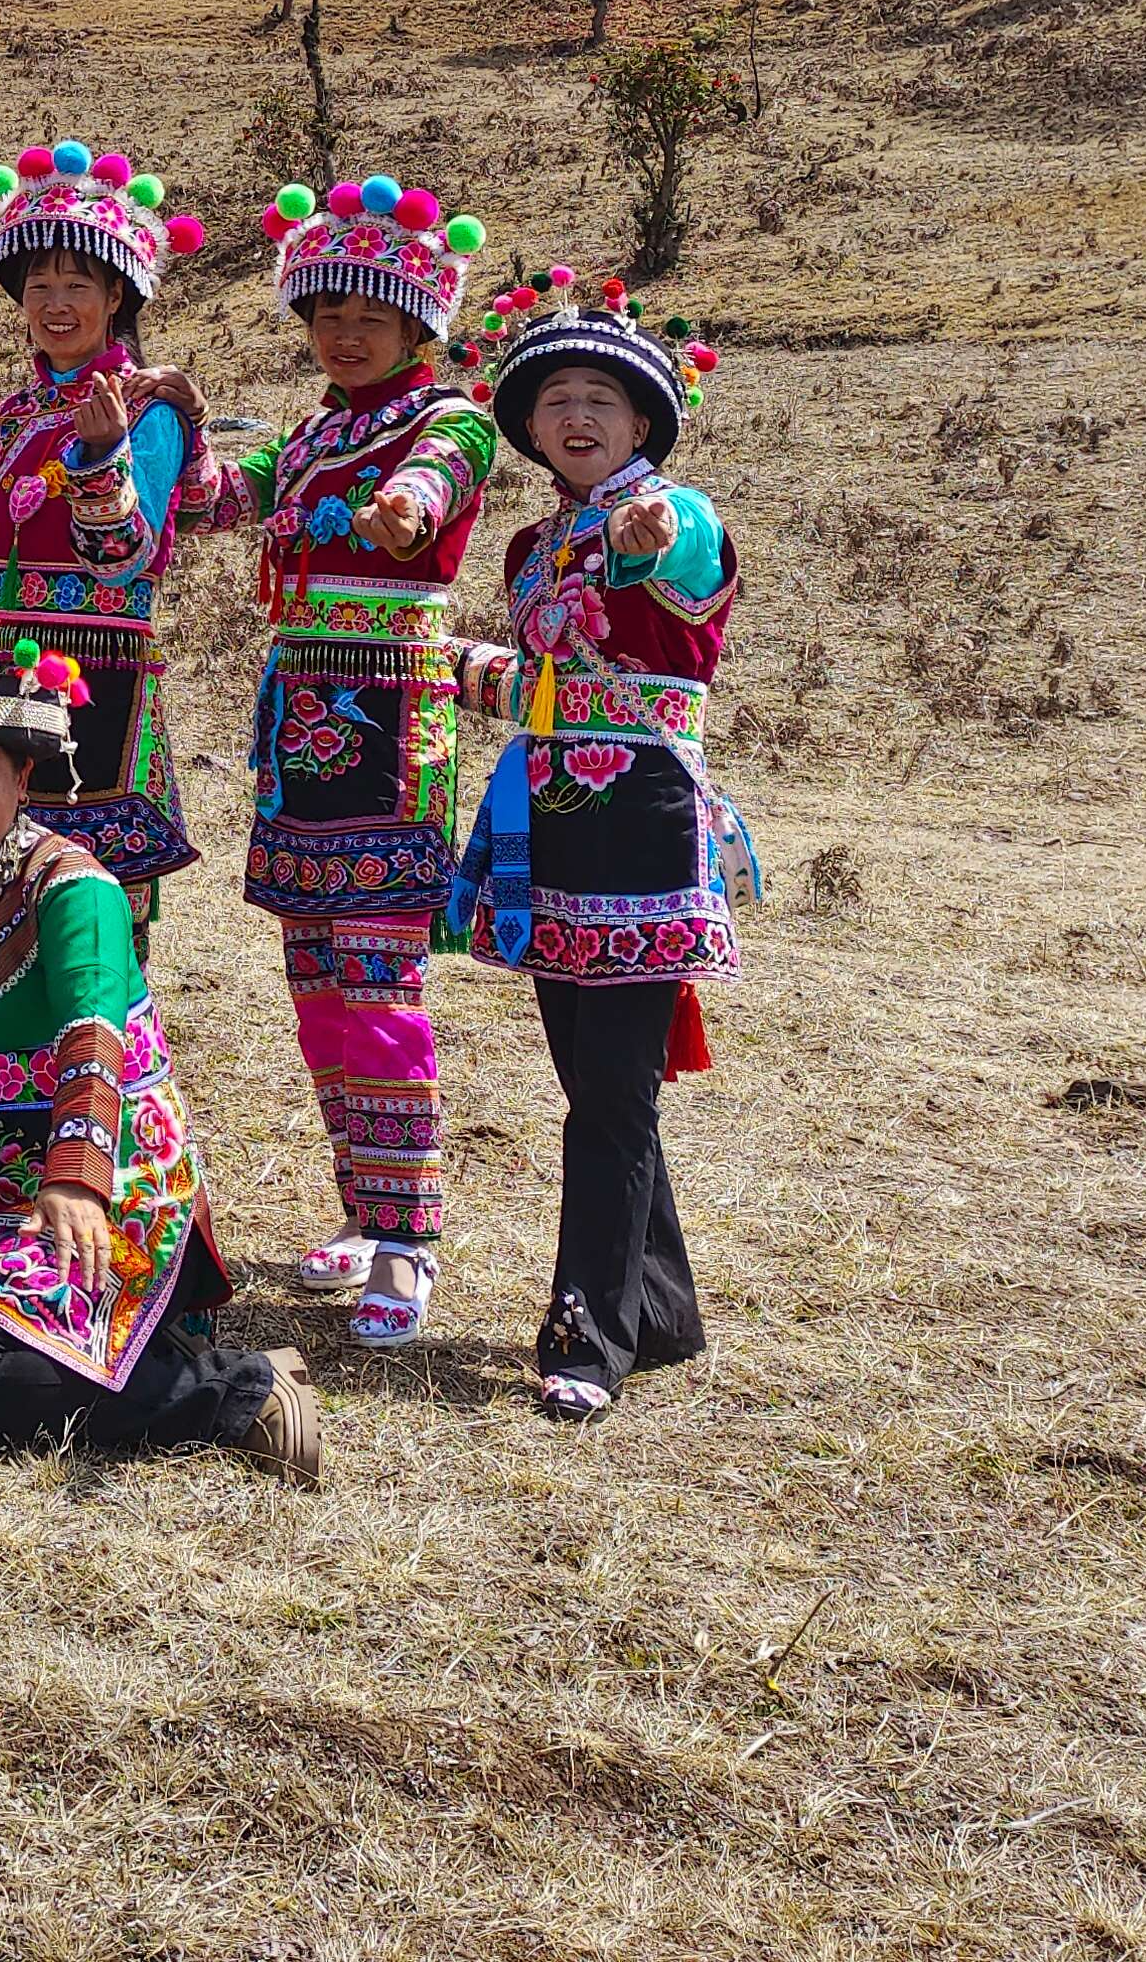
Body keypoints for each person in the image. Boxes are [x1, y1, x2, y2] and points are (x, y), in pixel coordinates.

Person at [0, 634, 323, 1481]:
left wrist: (72, 1180)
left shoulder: (76, 892)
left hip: (109, 1199)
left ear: (23, 779)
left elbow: (91, 1039)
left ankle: (233, 1389)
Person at [446, 267, 745, 1425]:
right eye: (557, 399)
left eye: (603, 403)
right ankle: (660, 1310)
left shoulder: (679, 514)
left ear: (644, 426)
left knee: (610, 1093)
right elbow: (544, 680)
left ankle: (587, 1334)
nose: (577, 417)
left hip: (643, 825)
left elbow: (669, 557)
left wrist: (648, 532)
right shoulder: (529, 547)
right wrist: (462, 671)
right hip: (548, 821)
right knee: (592, 1080)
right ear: (529, 425)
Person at [221, 176, 497, 1350]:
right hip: (301, 726)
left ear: (419, 325)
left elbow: (424, 498)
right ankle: (359, 1204)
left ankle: (408, 1236)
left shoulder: (452, 421)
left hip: (392, 728)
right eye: (327, 311)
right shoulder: (316, 432)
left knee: (380, 984)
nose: (345, 331)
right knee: (316, 988)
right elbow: (221, 501)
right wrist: (152, 440)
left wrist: (402, 509)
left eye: (370, 313)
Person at [0, 138, 225, 929]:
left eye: (77, 284)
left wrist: (100, 460)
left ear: (117, 297)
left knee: (96, 900)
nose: (56, 304)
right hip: (1, 675)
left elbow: (127, 556)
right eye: (39, 287)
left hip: (104, 678)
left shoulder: (150, 411)